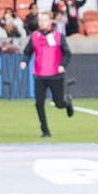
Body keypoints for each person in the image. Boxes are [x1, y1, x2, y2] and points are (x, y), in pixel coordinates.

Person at [22, 10, 74, 138]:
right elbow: (27, 52)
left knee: (59, 103)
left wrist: (62, 65)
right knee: (39, 103)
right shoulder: (34, 36)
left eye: (44, 20)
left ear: (50, 21)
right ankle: (45, 130)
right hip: (39, 75)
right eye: (40, 20)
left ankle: (67, 102)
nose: (42, 22)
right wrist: (24, 61)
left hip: (56, 75)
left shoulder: (58, 36)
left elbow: (67, 53)